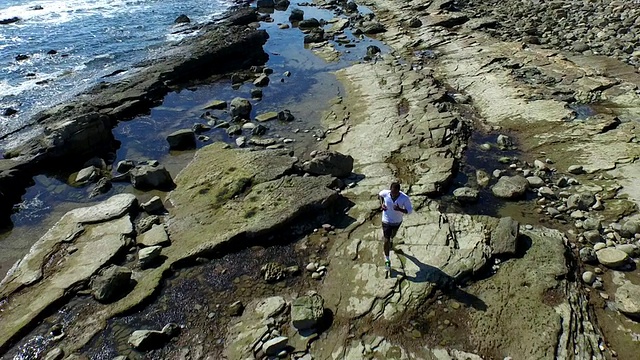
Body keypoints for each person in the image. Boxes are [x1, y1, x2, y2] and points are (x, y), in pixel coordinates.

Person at [378, 182, 413, 270]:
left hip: (397, 222)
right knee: (386, 239)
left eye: (395, 193)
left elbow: (409, 211)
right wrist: (381, 204)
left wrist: (400, 209)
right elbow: (380, 195)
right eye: (392, 192)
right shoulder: (386, 193)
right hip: (386, 220)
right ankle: (387, 259)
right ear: (390, 190)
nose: (393, 194)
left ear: (399, 191)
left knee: (392, 236)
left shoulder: (404, 198)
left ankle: (391, 240)